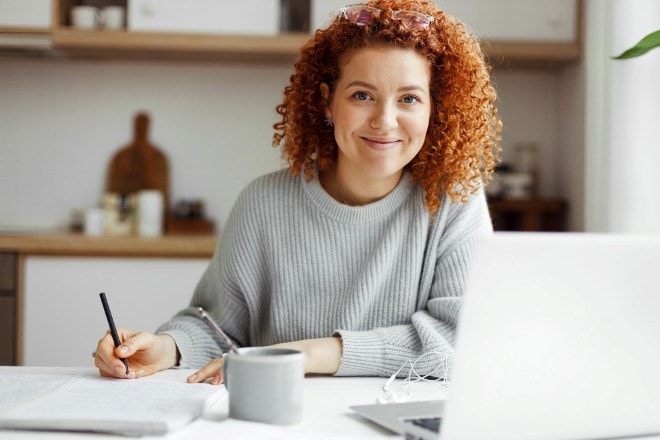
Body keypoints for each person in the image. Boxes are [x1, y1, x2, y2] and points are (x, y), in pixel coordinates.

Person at [94, 0, 501, 384]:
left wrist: (314, 355)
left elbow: (464, 339)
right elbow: (217, 327)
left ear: (435, 109)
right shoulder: (263, 203)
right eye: (362, 95)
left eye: (409, 99)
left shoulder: (454, 202)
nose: (385, 120)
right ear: (327, 103)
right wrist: (167, 348)